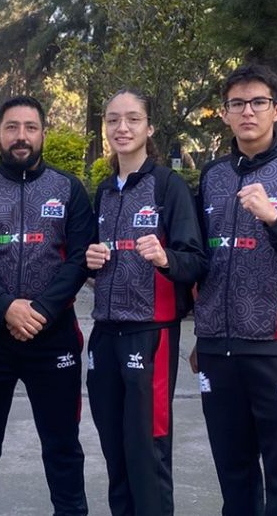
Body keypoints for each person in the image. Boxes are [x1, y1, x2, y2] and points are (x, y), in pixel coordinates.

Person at [192, 64, 277, 516]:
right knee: (234, 477)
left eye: (257, 103)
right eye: (237, 104)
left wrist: (275, 219)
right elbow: (196, 261)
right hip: (218, 349)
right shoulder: (211, 177)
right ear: (226, 115)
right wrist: (201, 335)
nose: (247, 111)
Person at [0, 96, 94, 516]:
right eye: (13, 127)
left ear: (42, 134)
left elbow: (79, 258)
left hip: (53, 336)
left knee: (62, 443)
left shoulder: (68, 189)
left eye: (30, 127)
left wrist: (39, 312)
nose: (22, 136)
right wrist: (4, 308)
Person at [85, 89, 207, 516]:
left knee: (147, 452)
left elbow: (195, 261)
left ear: (149, 128)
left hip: (150, 336)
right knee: (115, 452)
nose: (122, 128)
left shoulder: (168, 187)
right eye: (114, 119)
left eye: (133, 119)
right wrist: (91, 258)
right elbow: (91, 258)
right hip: (104, 334)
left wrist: (165, 258)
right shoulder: (102, 191)